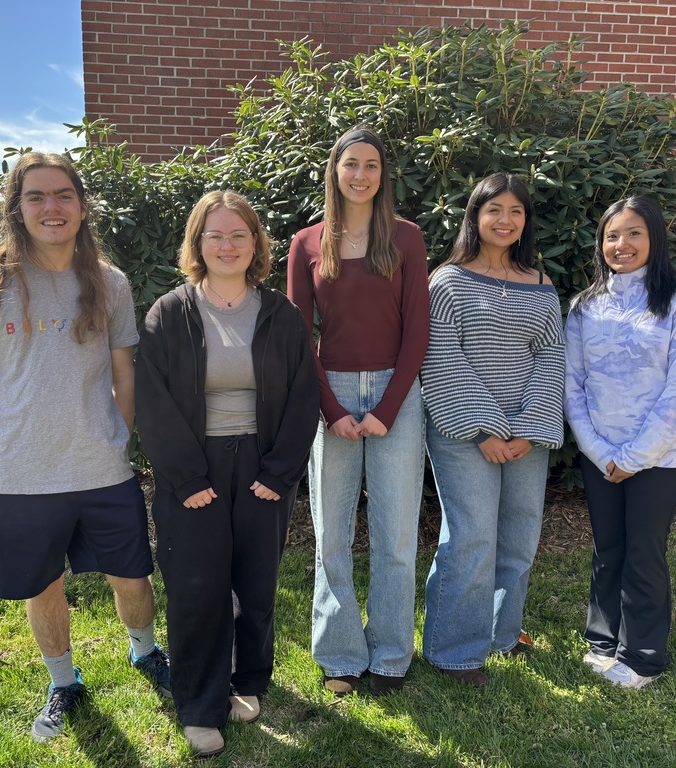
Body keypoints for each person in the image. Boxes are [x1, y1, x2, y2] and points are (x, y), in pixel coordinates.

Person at [0, 152, 170, 743]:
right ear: (17, 208)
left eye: (63, 195)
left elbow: (125, 373)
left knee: (133, 578)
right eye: (37, 197)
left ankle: (145, 653)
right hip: (23, 472)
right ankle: (63, 682)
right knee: (42, 586)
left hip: (102, 466)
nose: (52, 207)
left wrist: (115, 436)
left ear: (82, 205)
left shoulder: (110, 282)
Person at [135, 190, 319, 757]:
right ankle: (199, 702)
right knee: (197, 588)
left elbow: (302, 395)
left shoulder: (281, 315)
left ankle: (246, 681)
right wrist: (187, 479)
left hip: (262, 467)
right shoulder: (170, 312)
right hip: (195, 466)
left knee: (255, 583)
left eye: (239, 234)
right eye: (215, 234)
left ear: (256, 243)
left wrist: (281, 471)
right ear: (198, 244)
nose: (227, 244)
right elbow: (152, 401)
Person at [287, 126, 430, 698]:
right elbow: (300, 338)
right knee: (332, 535)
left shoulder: (407, 238)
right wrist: (330, 407)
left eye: (372, 165)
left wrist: (390, 407)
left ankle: (392, 654)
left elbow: (418, 329)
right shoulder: (306, 243)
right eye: (352, 164)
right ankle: (342, 653)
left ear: (382, 174)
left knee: (396, 535)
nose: (362, 175)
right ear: (335, 171)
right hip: (332, 392)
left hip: (398, 389)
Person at [419, 173, 565, 688]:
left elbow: (550, 358)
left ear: (526, 222)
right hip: (465, 433)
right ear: (475, 217)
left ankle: (502, 634)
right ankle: (453, 649)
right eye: (494, 210)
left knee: (520, 536)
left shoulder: (543, 286)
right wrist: (485, 429)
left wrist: (528, 429)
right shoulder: (448, 281)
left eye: (516, 212)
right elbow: (440, 358)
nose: (505, 220)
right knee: (472, 537)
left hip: (528, 432)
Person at [565, 194, 676, 689]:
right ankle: (603, 640)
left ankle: (644, 655)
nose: (621, 244)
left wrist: (635, 456)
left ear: (654, 239)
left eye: (634, 234)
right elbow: (573, 384)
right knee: (608, 547)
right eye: (612, 235)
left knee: (644, 549)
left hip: (663, 455)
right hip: (599, 453)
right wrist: (600, 451)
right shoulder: (585, 306)